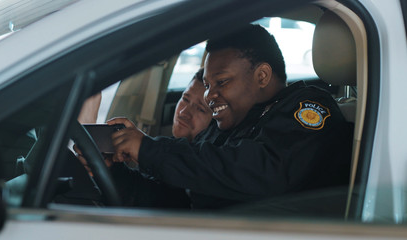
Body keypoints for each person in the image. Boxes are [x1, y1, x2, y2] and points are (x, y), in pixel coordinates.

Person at [108, 24, 353, 209]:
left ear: (262, 76)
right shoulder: (229, 123)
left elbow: (263, 173)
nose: (209, 95)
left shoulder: (308, 107)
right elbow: (184, 196)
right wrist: (116, 176)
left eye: (221, 82)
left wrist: (150, 149)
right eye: (207, 84)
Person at [77, 68, 213, 208]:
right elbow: (147, 191)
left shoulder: (203, 175)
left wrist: (144, 147)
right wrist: (112, 168)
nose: (184, 112)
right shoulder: (167, 152)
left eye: (201, 109)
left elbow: (162, 201)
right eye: (185, 99)